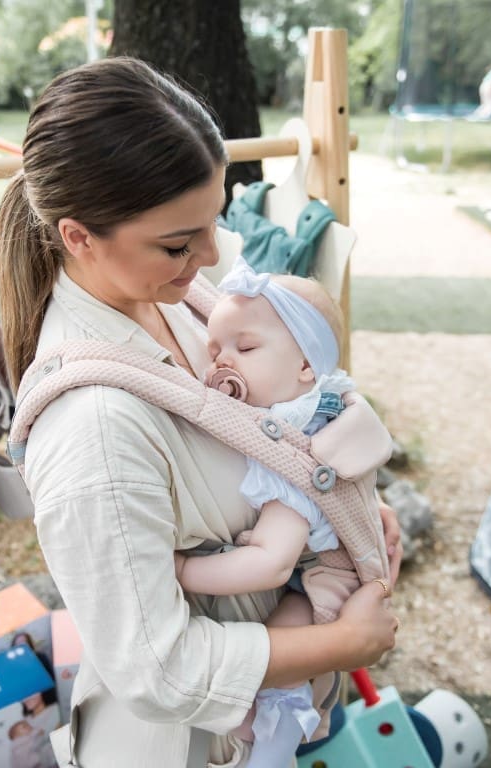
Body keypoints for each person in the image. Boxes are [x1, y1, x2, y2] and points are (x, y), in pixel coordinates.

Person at [0, 57, 401, 767]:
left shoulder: (177, 302)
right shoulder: (93, 428)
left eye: (212, 222)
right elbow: (157, 667)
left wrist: (343, 512)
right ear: (79, 237)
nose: (211, 254)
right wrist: (344, 643)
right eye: (179, 243)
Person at [173, 257, 392, 768]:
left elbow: (270, 563)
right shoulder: (322, 404)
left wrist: (182, 570)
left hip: (330, 581)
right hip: (323, 564)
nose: (223, 362)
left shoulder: (298, 447)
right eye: (214, 350)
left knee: (281, 653)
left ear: (305, 367)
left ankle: (276, 746)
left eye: (246, 348)